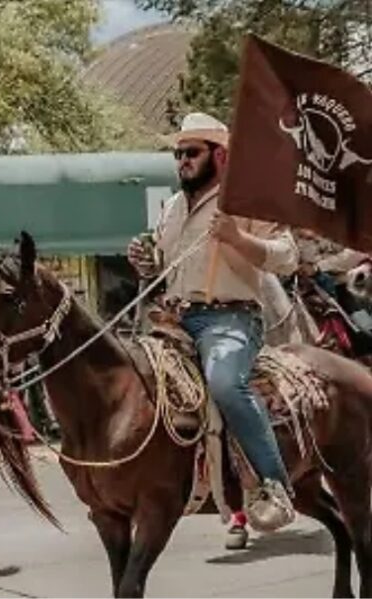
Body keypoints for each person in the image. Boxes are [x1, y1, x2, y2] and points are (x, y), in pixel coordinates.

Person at [128, 112, 300, 541]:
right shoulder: (172, 207)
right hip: (174, 319)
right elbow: (164, 265)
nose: (182, 161)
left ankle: (274, 484)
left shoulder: (248, 201)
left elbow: (287, 257)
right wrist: (146, 261)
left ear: (220, 156)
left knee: (224, 381)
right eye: (178, 154)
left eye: (191, 152)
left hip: (231, 318)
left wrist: (239, 238)